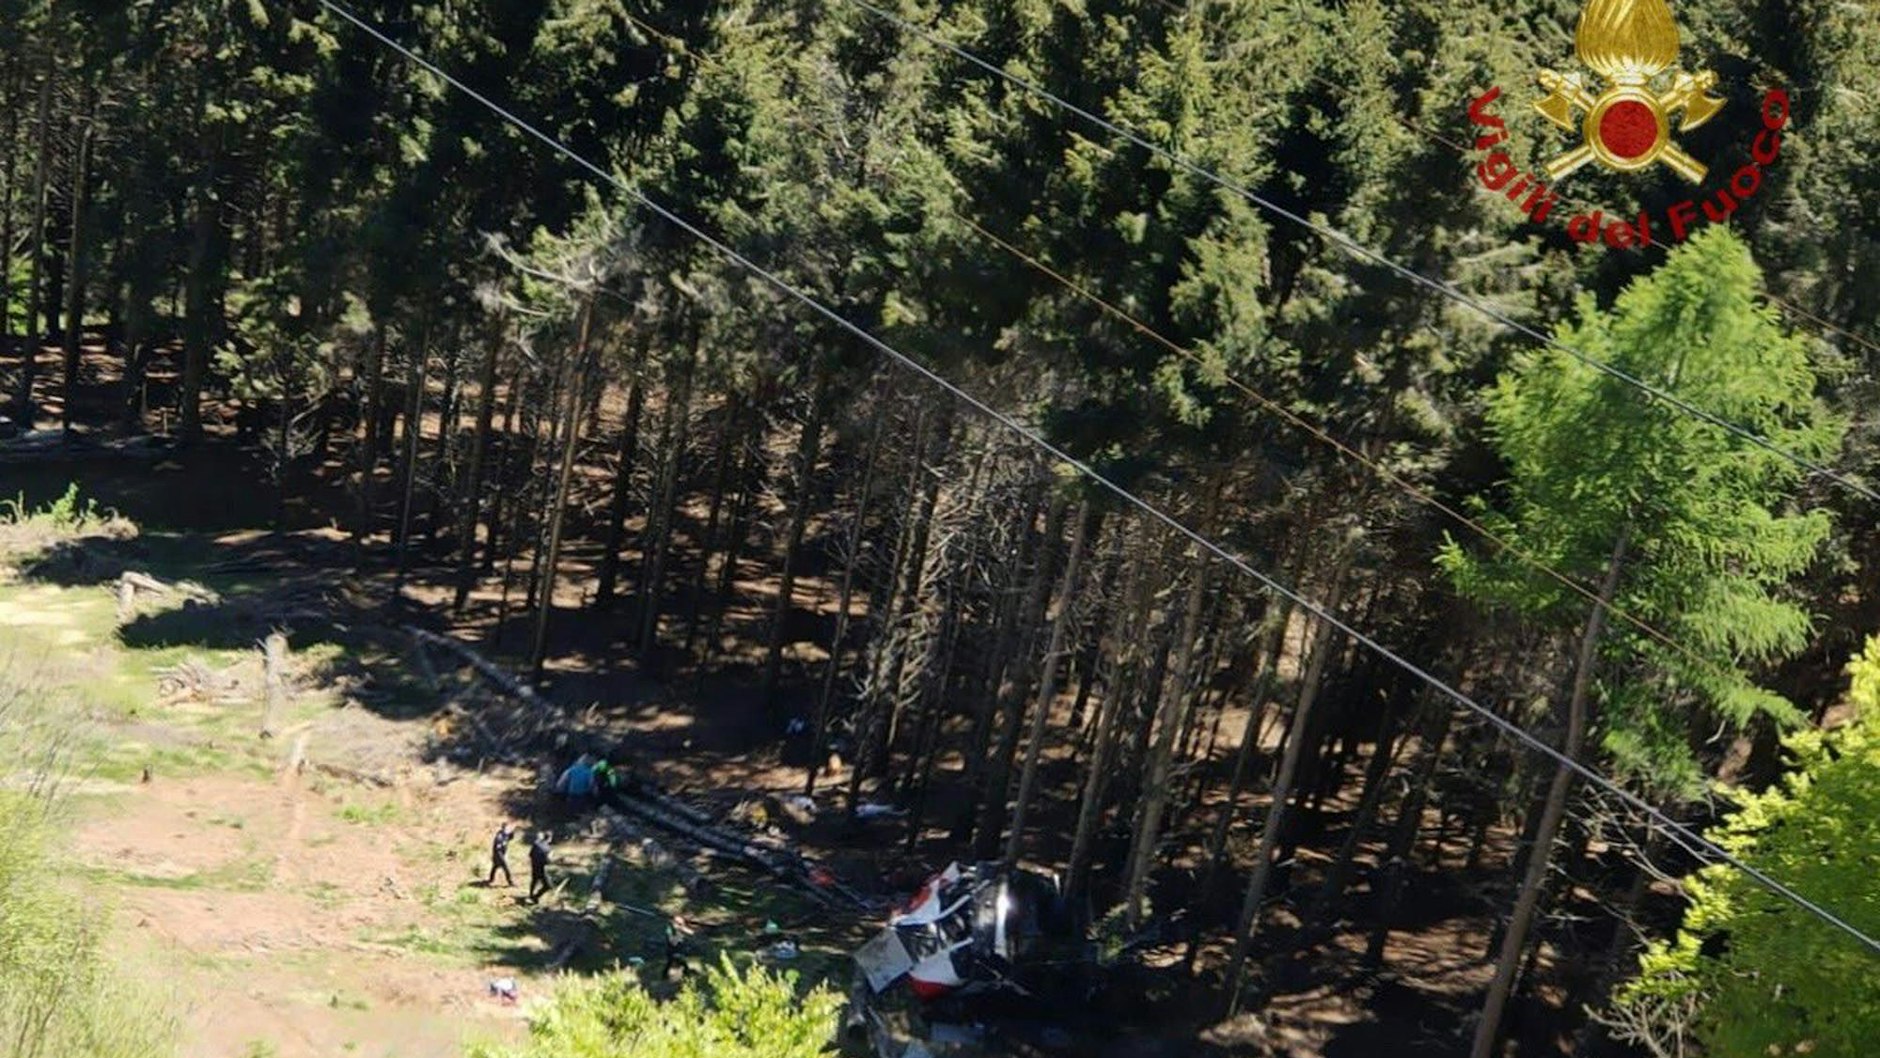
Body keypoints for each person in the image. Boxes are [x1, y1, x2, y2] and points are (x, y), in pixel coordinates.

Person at [664, 914, 693, 979]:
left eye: (682, 923)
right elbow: (672, 942)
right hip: (672, 950)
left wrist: (683, 929)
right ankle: (666, 976)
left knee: (680, 963)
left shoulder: (681, 929)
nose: (681, 924)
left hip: (680, 949)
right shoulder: (670, 930)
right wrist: (678, 934)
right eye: (679, 923)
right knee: (673, 961)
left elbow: (691, 933)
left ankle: (686, 975)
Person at [528, 831, 553, 902]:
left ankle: (531, 895)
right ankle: (536, 896)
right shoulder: (548, 849)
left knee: (534, 881)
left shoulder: (536, 844)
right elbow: (547, 862)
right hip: (542, 869)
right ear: (549, 838)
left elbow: (530, 855)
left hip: (534, 867)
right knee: (548, 886)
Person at [488, 822, 514, 887]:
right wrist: (502, 858)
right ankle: (510, 882)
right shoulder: (499, 837)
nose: (508, 830)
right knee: (506, 868)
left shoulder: (505, 835)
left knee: (495, 866)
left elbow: (510, 837)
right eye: (507, 829)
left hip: (501, 854)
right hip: (498, 855)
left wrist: (513, 831)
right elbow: (497, 849)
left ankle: (491, 879)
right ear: (504, 829)